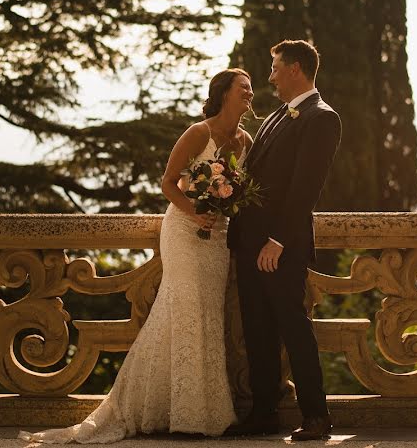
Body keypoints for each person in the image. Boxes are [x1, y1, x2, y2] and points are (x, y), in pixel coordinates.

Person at [20, 69, 255, 444]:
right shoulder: (198, 133)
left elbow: (240, 191)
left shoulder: (245, 140)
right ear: (224, 94)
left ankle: (202, 410)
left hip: (217, 238)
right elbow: (167, 183)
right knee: (184, 309)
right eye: (243, 87)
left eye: (251, 88)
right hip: (184, 230)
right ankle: (174, 411)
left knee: (208, 315)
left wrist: (226, 206)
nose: (250, 92)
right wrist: (196, 210)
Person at [226, 40, 342, 441]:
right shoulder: (277, 115)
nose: (270, 76)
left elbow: (305, 189)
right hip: (248, 242)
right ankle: (263, 413)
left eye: (275, 68)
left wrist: (277, 240)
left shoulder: (322, 118)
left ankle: (316, 416)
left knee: (294, 329)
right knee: (257, 330)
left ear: (295, 69)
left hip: (280, 246)